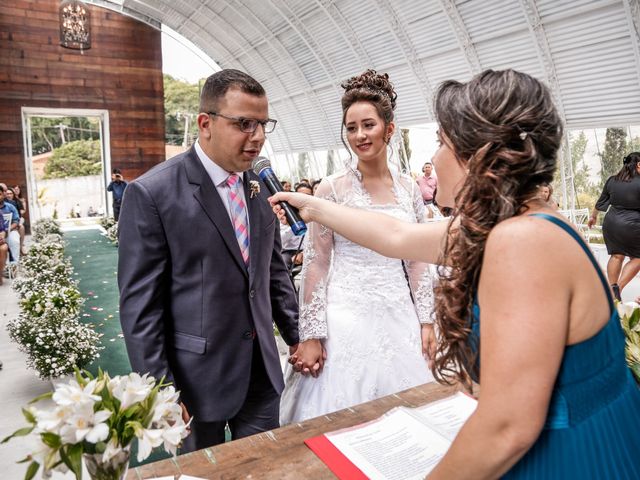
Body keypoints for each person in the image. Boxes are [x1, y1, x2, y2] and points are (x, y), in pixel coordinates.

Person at [271, 69, 640, 478]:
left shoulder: (523, 243)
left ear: (477, 155)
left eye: (442, 143)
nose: (434, 160)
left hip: (570, 457)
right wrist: (312, 206)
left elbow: (506, 427)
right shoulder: (518, 222)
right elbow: (397, 236)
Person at [118, 69, 299, 453]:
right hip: (195, 383)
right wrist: (162, 391)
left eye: (264, 124)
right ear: (205, 124)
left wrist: (297, 337)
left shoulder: (260, 185)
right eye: (245, 124)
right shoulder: (152, 193)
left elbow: (273, 273)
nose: (259, 136)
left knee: (266, 469)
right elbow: (141, 308)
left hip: (261, 375)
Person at [279, 70, 436, 425]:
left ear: (389, 129)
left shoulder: (410, 190)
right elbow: (316, 264)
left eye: (368, 125)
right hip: (345, 318)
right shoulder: (330, 190)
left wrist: (426, 320)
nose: (359, 135)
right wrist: (312, 334)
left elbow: (417, 261)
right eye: (351, 128)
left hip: (400, 317)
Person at [588, 152, 640, 301]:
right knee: (637, 258)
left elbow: (600, 202)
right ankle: (618, 289)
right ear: (638, 164)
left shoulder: (612, 180)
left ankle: (611, 292)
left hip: (611, 222)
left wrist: (593, 217)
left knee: (616, 256)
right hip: (632, 224)